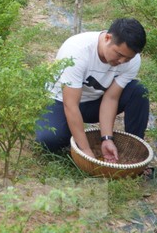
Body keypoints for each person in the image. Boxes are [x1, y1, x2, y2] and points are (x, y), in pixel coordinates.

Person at [35, 18, 149, 162]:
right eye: (119, 54)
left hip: (95, 102)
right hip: (61, 101)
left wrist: (106, 138)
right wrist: (86, 151)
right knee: (48, 140)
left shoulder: (132, 60)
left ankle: (135, 150)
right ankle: (72, 137)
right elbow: (70, 105)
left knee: (138, 91)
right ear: (108, 38)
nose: (122, 62)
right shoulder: (77, 51)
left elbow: (111, 98)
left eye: (127, 58)